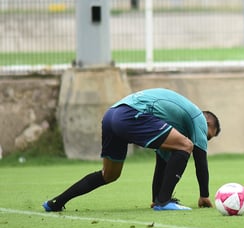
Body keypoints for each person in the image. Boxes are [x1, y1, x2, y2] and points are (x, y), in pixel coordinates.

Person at [42, 88, 221, 211]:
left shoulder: (176, 125)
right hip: (131, 115)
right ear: (207, 124)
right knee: (186, 146)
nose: (204, 139)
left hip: (112, 115)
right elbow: (199, 158)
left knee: (109, 175)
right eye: (208, 135)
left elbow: (163, 162)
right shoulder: (198, 117)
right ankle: (164, 202)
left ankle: (56, 203)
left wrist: (155, 198)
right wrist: (204, 195)